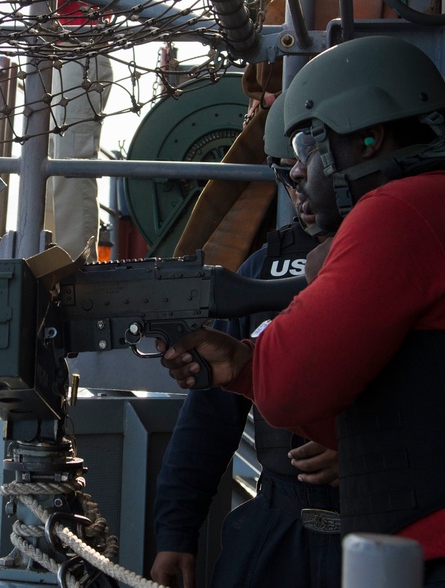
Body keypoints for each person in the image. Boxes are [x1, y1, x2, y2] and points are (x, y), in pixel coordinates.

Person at [159, 36, 445, 587]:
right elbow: (429, 399)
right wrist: (240, 366)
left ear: (368, 138)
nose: (297, 174)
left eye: (308, 146)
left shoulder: (399, 212)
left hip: (434, 549)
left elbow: (291, 386)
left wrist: (259, 367)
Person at [150, 94, 341, 588]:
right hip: (281, 521)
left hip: (387, 512)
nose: (298, 182)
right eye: (285, 171)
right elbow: (208, 420)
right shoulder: (260, 273)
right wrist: (175, 532)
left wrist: (366, 454)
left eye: (308, 163)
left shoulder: (417, 259)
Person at [44, 0, 112, 262]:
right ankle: (50, 266)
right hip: (58, 49)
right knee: (48, 171)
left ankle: (77, 270)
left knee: (70, 163)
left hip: (82, 46)